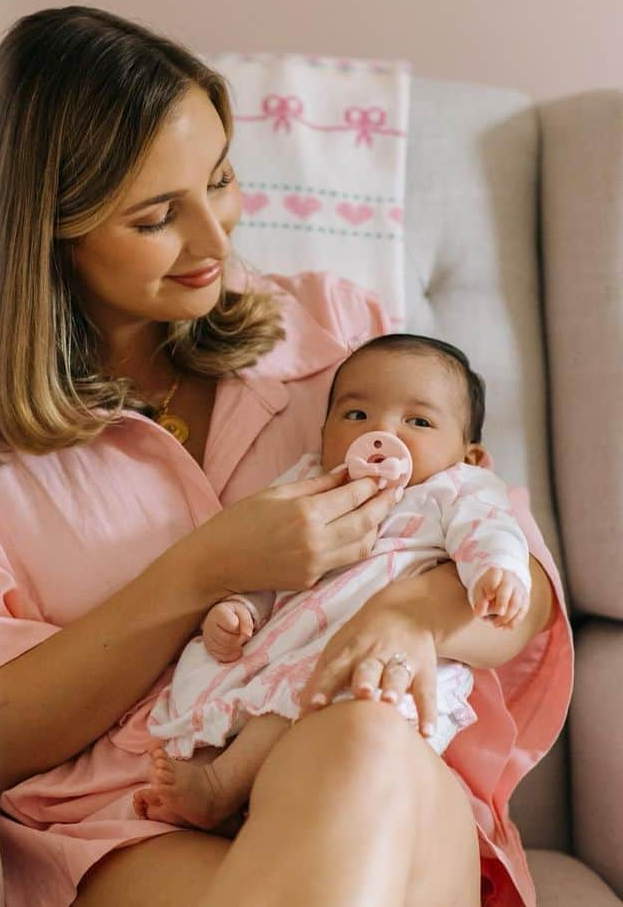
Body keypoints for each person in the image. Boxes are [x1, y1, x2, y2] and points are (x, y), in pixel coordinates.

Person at [0, 6, 573, 907]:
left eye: (220, 180)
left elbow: (518, 589)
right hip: (132, 821)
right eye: (156, 218)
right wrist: (203, 571)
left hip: (391, 780)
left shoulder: (345, 336)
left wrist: (412, 619)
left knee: (367, 742)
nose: (219, 243)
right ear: (46, 230)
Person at [132, 334, 534, 833]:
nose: (385, 433)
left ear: (469, 455)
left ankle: (220, 791)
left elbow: (490, 529)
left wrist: (497, 571)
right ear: (324, 433)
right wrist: (243, 610)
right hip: (287, 650)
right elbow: (265, 565)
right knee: (225, 680)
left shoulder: (456, 488)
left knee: (320, 691)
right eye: (357, 416)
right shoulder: (310, 484)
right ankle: (227, 788)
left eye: (419, 422)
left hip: (381, 666)